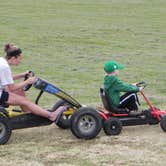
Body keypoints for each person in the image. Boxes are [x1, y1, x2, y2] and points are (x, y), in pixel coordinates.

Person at [0, 43, 66, 122]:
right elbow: (12, 88)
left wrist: (22, 75)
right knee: (25, 101)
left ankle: (28, 114)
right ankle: (51, 116)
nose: (20, 61)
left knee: (19, 91)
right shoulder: (5, 67)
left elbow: (7, 79)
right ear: (14, 58)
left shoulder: (2, 61)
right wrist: (28, 81)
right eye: (19, 59)